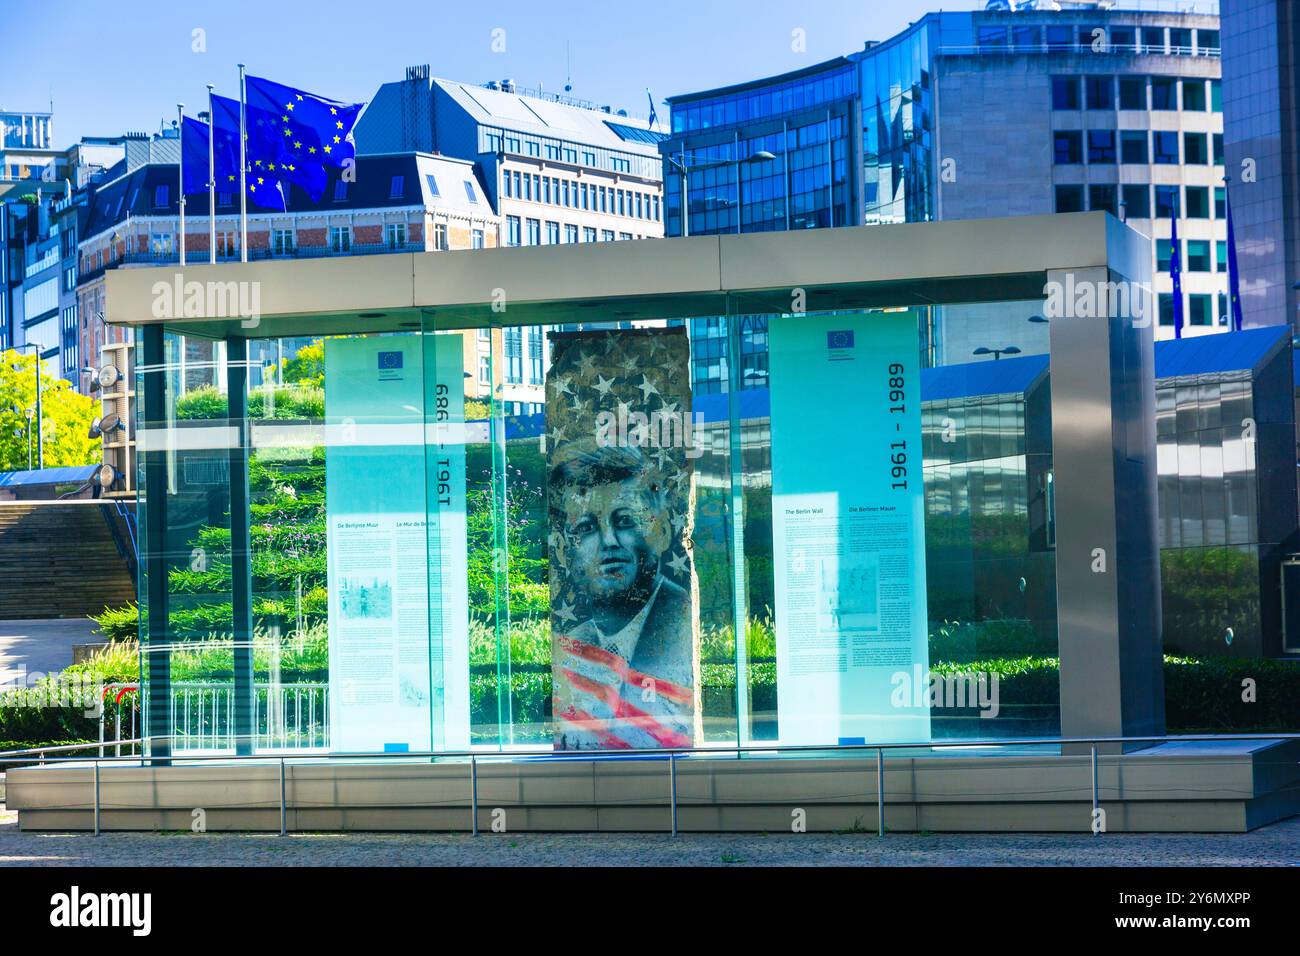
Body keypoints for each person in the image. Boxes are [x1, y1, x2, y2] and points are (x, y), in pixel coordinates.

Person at [548, 442, 694, 750]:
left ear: (663, 530)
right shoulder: (575, 646)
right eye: (587, 528)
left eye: (625, 521)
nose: (609, 542)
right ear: (565, 550)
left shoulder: (684, 628)